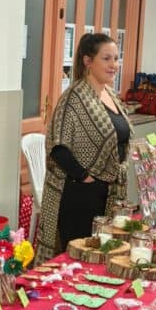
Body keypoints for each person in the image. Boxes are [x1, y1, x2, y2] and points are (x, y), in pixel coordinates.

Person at [36, 33, 133, 263]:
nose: (114, 65)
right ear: (88, 61)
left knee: (105, 255)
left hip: (109, 191)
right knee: (81, 259)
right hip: (81, 194)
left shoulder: (111, 95)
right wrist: (85, 177)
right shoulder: (74, 98)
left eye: (116, 59)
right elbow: (57, 146)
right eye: (106, 59)